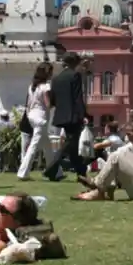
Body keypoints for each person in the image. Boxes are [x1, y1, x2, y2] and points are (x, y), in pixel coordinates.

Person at [42, 52, 88, 181]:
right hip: (73, 115)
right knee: (70, 144)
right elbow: (78, 97)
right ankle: (51, 169)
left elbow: (54, 99)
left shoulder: (56, 78)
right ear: (74, 63)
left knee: (73, 145)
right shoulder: (75, 76)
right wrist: (83, 114)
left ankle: (81, 173)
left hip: (61, 114)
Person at [18, 63, 54, 180]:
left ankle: (55, 172)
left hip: (32, 116)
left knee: (47, 146)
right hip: (41, 118)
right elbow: (48, 104)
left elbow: (28, 104)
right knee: (34, 146)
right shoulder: (45, 87)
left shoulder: (32, 87)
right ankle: (23, 173)